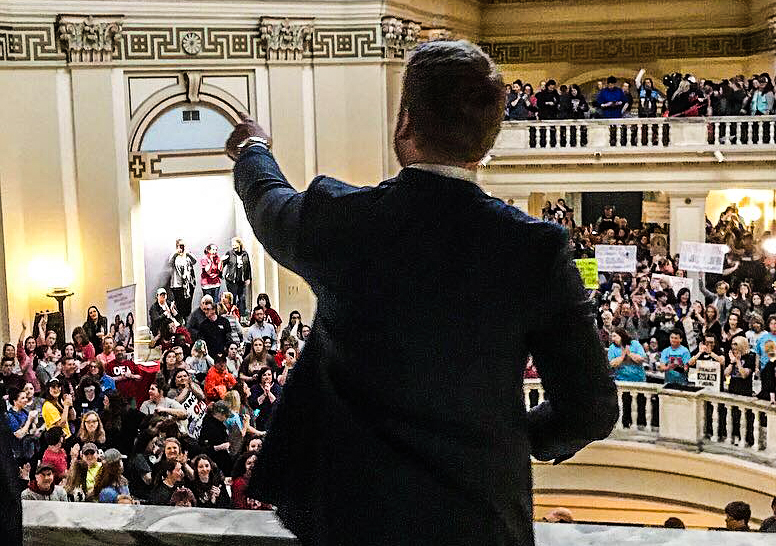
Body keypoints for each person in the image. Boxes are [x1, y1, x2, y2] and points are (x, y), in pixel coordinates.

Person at [227, 40, 618, 545]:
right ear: (487, 141)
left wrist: (253, 149)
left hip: (352, 522)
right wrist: (513, 436)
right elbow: (590, 408)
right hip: (478, 524)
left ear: (405, 122)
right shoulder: (533, 249)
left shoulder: (344, 220)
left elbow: (270, 204)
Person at [168, 239, 198, 320]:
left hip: (188, 285)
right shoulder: (175, 256)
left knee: (188, 304)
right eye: (180, 245)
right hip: (177, 285)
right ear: (177, 246)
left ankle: (188, 321)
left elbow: (194, 261)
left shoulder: (187, 256)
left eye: (183, 245)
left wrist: (188, 253)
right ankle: (181, 321)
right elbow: (170, 263)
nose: (182, 247)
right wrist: (175, 252)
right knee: (180, 305)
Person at [222, 238, 252, 316]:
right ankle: (233, 315)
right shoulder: (229, 253)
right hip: (231, 280)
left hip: (241, 280)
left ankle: (241, 315)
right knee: (233, 298)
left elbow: (248, 266)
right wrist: (221, 274)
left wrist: (248, 278)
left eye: (235, 245)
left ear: (239, 244)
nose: (234, 247)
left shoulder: (245, 254)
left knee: (242, 298)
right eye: (233, 245)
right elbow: (222, 263)